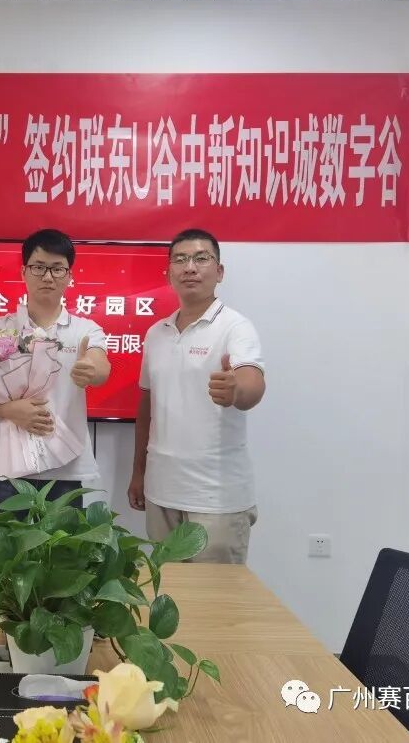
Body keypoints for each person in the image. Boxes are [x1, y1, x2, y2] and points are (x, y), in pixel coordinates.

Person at [127, 228, 265, 564]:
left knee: (214, 597)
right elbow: (147, 408)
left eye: (201, 258)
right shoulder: (156, 333)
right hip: (161, 492)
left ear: (219, 271)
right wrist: (139, 472)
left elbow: (252, 382)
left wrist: (236, 390)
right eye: (180, 259)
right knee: (166, 592)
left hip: (216, 499)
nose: (190, 267)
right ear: (168, 273)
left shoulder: (235, 327)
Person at [0, 229, 110, 509]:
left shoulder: (85, 330)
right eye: (39, 267)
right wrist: (7, 410)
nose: (48, 277)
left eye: (57, 269)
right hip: (6, 468)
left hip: (65, 466)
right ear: (23, 272)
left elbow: (100, 366)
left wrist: (91, 370)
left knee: (65, 540)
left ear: (69, 276)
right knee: (1, 540)